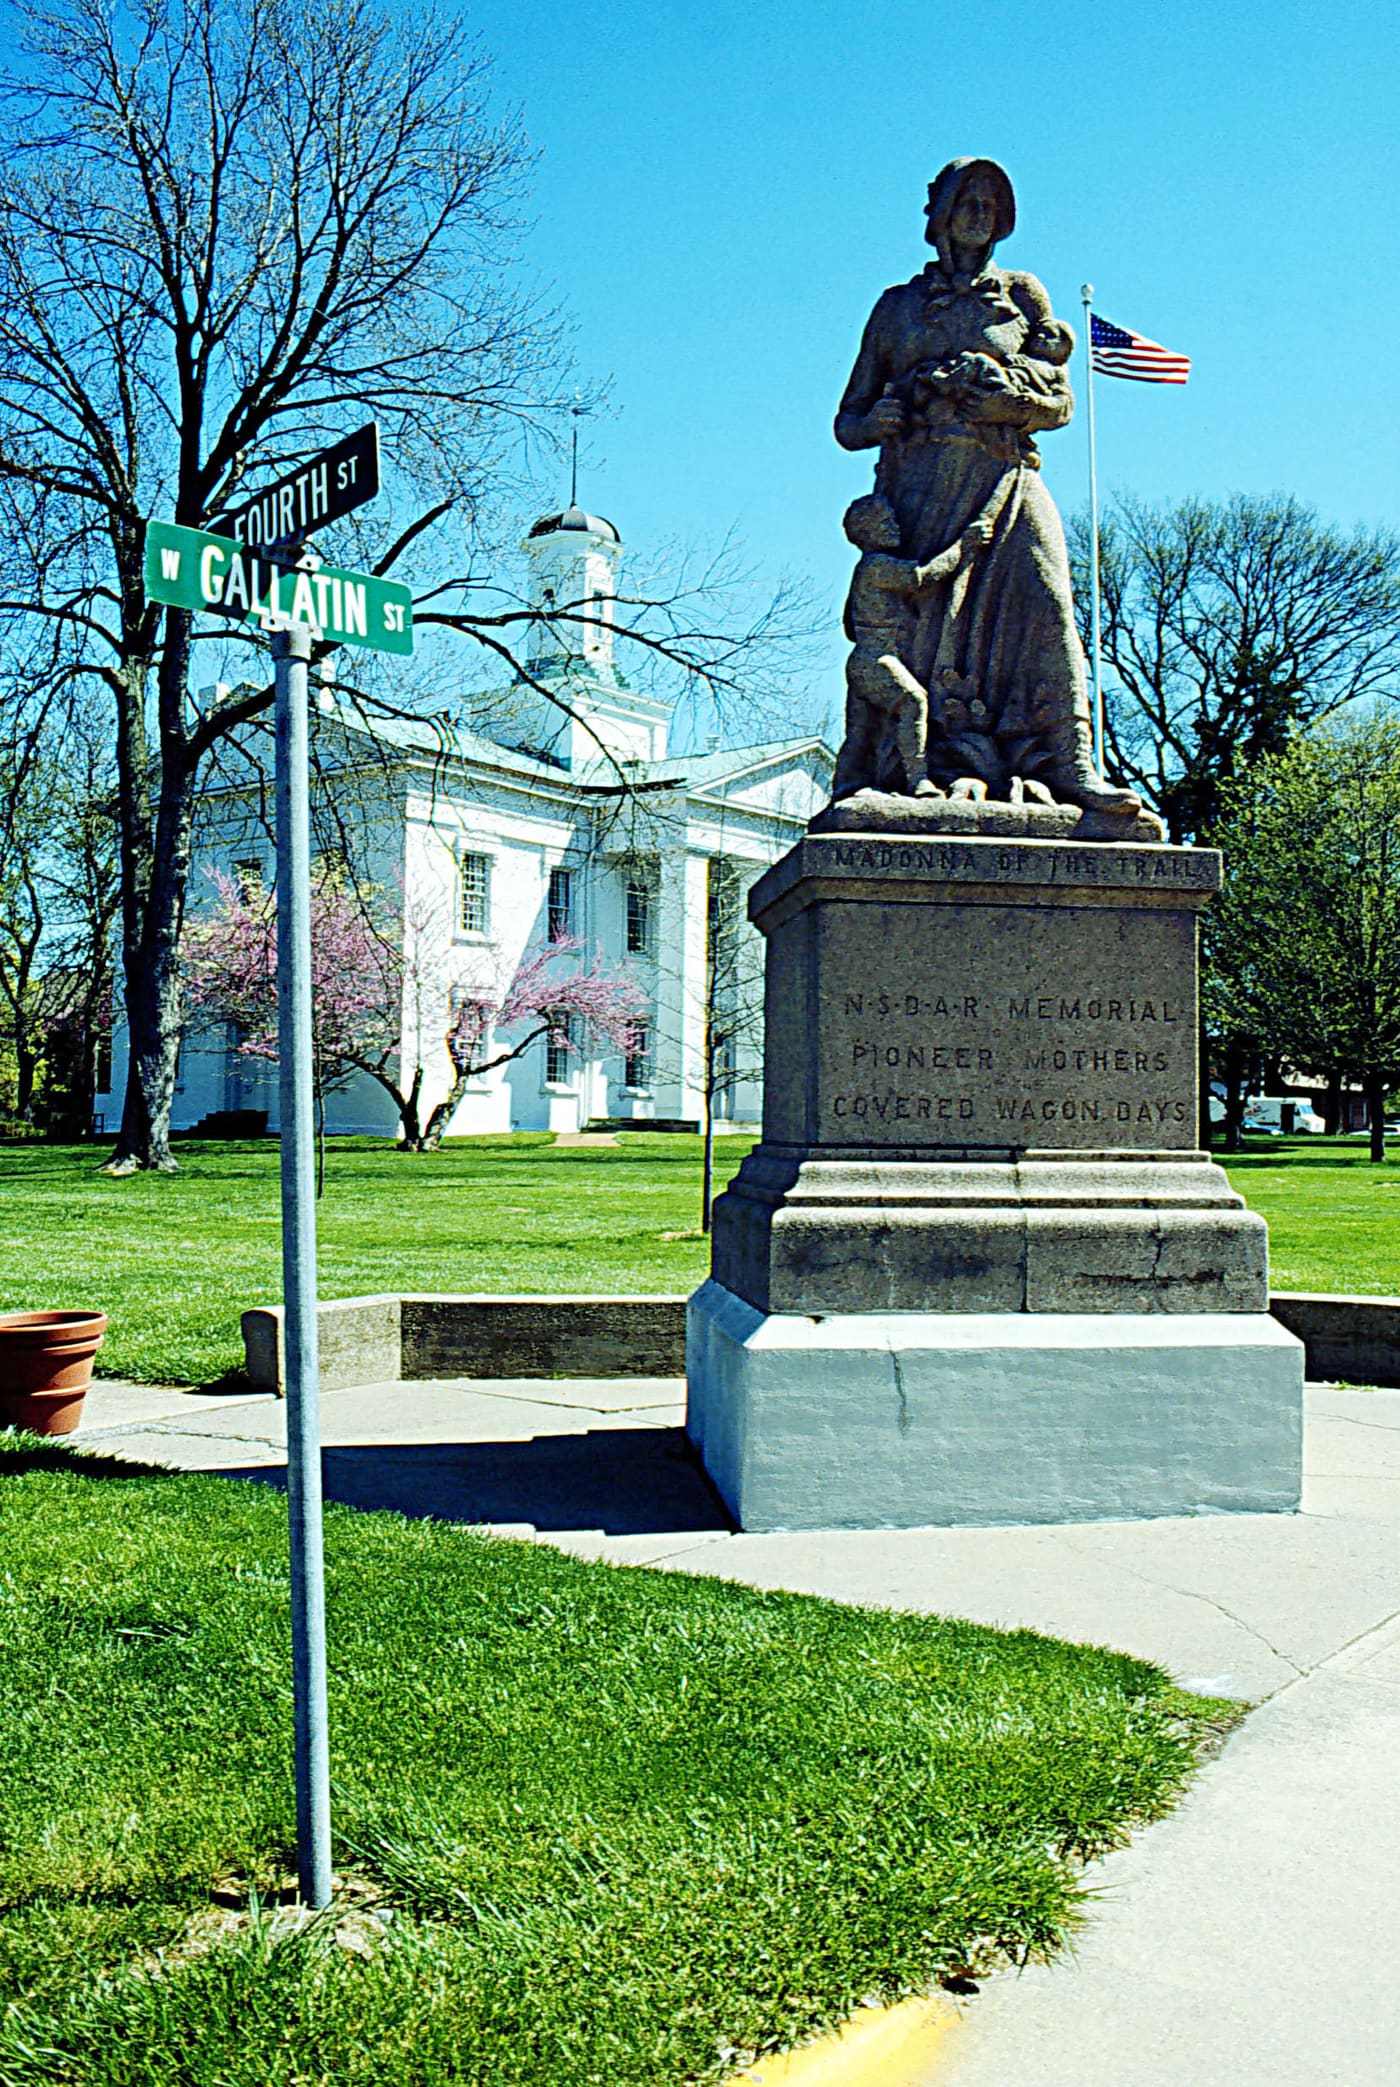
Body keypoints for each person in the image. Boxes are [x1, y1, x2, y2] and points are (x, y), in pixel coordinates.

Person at [833, 157, 1139, 816]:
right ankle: (927, 766)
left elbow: (1059, 403)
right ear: (941, 212)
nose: (979, 213)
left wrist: (998, 391)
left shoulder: (1024, 296)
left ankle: (1071, 762)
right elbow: (847, 418)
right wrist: (878, 418)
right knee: (925, 634)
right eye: (967, 199)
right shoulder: (897, 309)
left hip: (1006, 474)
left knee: (1049, 596)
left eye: (991, 203)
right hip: (920, 490)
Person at [831, 493, 990, 800]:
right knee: (914, 701)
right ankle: (918, 780)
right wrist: (964, 545)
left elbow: (848, 624)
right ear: (867, 532)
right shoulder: (877, 566)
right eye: (885, 522)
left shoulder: (864, 570)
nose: (894, 526)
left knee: (861, 733)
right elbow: (924, 576)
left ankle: (847, 785)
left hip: (861, 659)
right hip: (877, 658)